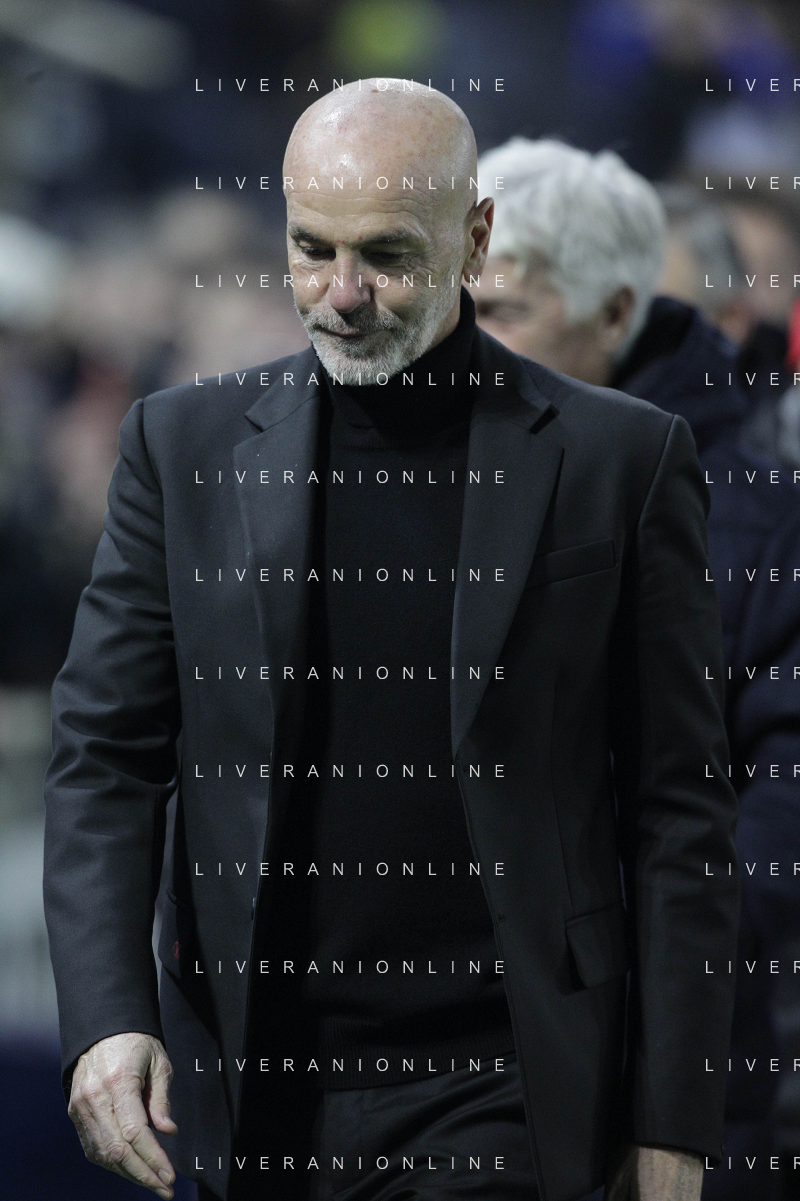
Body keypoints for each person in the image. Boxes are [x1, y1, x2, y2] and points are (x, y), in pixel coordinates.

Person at [44, 86, 738, 1201]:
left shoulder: (622, 459)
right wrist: (107, 1014)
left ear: (475, 237)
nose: (342, 293)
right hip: (251, 1081)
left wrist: (673, 1118)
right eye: (311, 249)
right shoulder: (180, 447)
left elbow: (678, 808)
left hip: (503, 1084)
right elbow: (104, 755)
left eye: (386, 256)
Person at [473, 135, 800, 1201]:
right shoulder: (422, 483)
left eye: (501, 312)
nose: (466, 346)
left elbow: (769, 839)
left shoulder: (757, 526)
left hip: (669, 1085)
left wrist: (599, 969)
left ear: (615, 312)